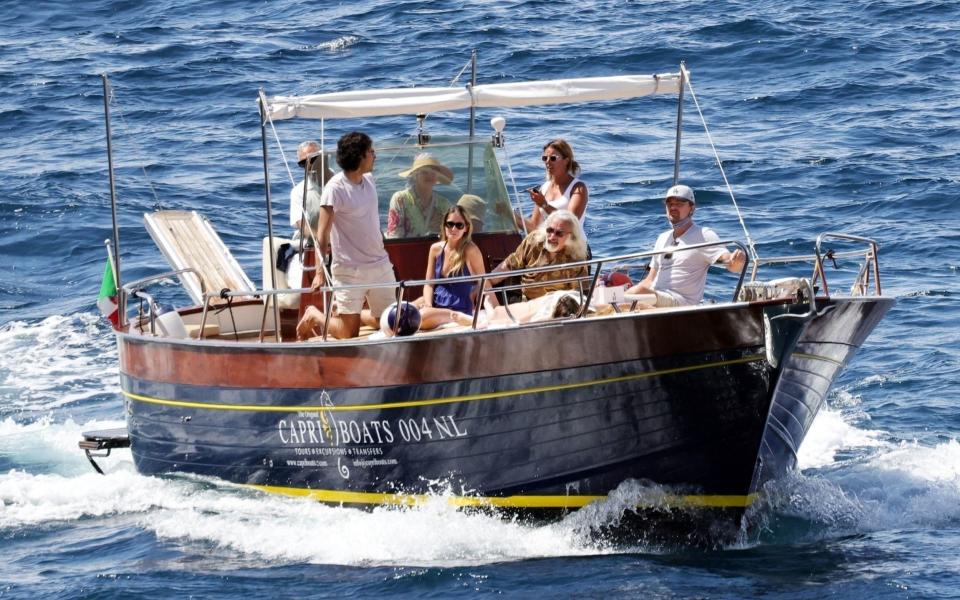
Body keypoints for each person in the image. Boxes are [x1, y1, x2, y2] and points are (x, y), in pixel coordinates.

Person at [296, 132, 396, 340]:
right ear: (359, 156)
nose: (375, 155)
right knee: (348, 333)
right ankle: (315, 315)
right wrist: (319, 273)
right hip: (349, 270)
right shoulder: (334, 189)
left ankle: (354, 316)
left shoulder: (369, 181)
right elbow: (322, 235)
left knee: (392, 323)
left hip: (380, 264)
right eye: (371, 151)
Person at [626, 184, 746, 307]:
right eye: (670, 204)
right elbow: (649, 281)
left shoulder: (703, 235)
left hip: (680, 302)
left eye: (679, 204)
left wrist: (735, 260)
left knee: (638, 294)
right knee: (614, 295)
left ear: (692, 208)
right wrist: (622, 296)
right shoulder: (662, 238)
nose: (673, 207)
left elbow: (728, 261)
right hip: (655, 296)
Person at [483, 209, 589, 303]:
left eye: (559, 233)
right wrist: (485, 283)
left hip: (557, 307)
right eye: (550, 230)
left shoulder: (576, 259)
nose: (552, 236)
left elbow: (579, 295)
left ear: (571, 236)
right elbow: (510, 264)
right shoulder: (533, 241)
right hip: (525, 302)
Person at [412, 205, 487, 330]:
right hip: (436, 302)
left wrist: (495, 309)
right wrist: (428, 304)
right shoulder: (435, 249)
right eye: (450, 224)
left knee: (421, 318)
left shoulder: (470, 250)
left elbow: (484, 283)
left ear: (466, 228)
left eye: (459, 225)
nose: (453, 228)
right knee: (401, 312)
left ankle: (457, 316)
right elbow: (429, 284)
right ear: (444, 226)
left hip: (458, 306)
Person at [521, 139, 589, 231]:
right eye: (545, 158)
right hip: (551, 243)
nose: (547, 162)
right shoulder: (544, 188)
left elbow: (570, 223)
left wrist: (544, 205)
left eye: (553, 158)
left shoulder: (578, 188)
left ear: (566, 161)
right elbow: (534, 227)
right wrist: (510, 214)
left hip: (574, 244)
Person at [385, 153, 454, 238]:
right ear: (415, 175)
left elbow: (451, 236)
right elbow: (394, 237)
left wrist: (442, 228)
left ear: (437, 177)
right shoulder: (400, 199)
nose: (429, 176)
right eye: (425, 172)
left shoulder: (444, 204)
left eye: (433, 172)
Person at [289, 140, 334, 242]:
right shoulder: (299, 192)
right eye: (303, 163)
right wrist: (326, 241)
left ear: (325, 158)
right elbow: (302, 225)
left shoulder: (342, 182)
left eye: (312, 159)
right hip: (313, 244)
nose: (308, 166)